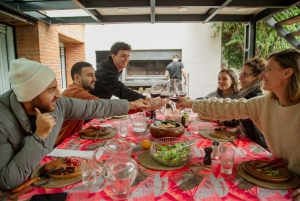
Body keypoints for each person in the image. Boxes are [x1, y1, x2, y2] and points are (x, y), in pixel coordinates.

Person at [0, 58, 150, 190]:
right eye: (51, 90)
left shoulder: (59, 103)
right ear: (30, 94)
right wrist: (39, 137)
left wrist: (132, 105)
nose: (59, 94)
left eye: (57, 87)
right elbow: (6, 181)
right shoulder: (2, 122)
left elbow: (94, 107)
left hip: (49, 174)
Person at [176, 49, 300, 200]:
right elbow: (227, 108)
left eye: (268, 69)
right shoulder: (265, 103)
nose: (261, 75)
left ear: (287, 73)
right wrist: (193, 103)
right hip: (282, 176)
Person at [55, 61, 99, 146]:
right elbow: (104, 106)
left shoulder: (75, 90)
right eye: (90, 75)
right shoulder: (75, 93)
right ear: (77, 78)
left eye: (94, 75)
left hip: (71, 139)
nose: (95, 79)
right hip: (61, 144)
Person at [238, 57, 267, 149]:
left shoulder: (254, 96)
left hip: (260, 148)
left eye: (244, 75)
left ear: (258, 76)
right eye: (241, 74)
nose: (239, 78)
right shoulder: (247, 93)